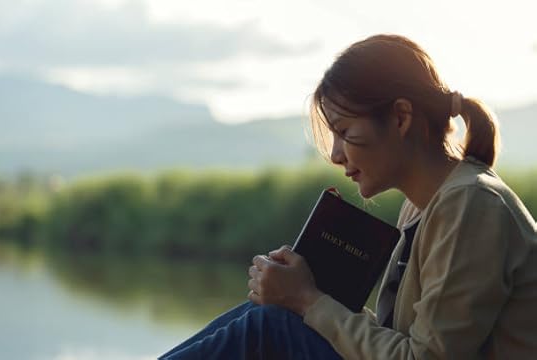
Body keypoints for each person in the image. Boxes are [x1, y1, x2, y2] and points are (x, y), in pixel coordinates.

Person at [158, 34, 537, 359]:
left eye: (344, 131)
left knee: (270, 325)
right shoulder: (423, 206)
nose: (337, 155)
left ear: (401, 118)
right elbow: (408, 342)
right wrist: (306, 295)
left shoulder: (472, 204)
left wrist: (309, 301)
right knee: (275, 313)